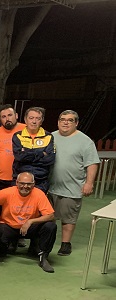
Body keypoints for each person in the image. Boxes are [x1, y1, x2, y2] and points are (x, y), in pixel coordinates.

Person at [48, 110, 99, 256]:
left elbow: (92, 163)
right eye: (62, 119)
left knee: (68, 218)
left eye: (70, 120)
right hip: (50, 186)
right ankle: (45, 242)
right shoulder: (50, 137)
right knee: (47, 217)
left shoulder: (85, 141)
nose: (65, 122)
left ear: (76, 123)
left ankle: (65, 244)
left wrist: (89, 183)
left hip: (72, 187)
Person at [0, 172, 57, 273]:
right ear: (17, 183)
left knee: (50, 226)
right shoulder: (8, 192)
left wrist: (30, 221)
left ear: (33, 184)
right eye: (22, 183)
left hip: (29, 227)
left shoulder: (38, 194)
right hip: (9, 226)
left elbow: (50, 215)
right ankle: (3, 248)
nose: (25, 186)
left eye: (29, 184)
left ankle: (43, 257)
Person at [12, 106, 55, 193]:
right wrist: (42, 153)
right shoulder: (17, 136)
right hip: (20, 180)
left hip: (40, 182)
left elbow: (50, 159)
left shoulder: (48, 137)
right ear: (25, 119)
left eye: (38, 118)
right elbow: (19, 157)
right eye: (31, 118)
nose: (34, 121)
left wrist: (27, 154)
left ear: (41, 121)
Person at [0, 104, 24, 193]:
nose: (7, 119)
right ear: (0, 119)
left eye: (10, 115)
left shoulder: (26, 130)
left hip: (19, 178)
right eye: (3, 117)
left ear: (16, 115)